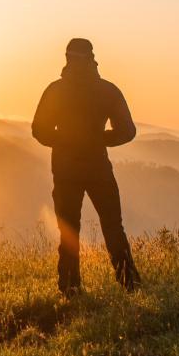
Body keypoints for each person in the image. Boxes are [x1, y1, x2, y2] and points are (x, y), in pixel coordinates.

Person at [31, 38, 142, 296]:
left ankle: (70, 288)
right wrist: (99, 139)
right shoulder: (107, 90)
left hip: (65, 169)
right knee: (113, 227)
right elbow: (127, 131)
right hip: (98, 168)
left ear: (67, 58)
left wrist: (64, 140)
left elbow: (39, 130)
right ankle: (130, 284)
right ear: (92, 58)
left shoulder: (56, 90)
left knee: (69, 230)